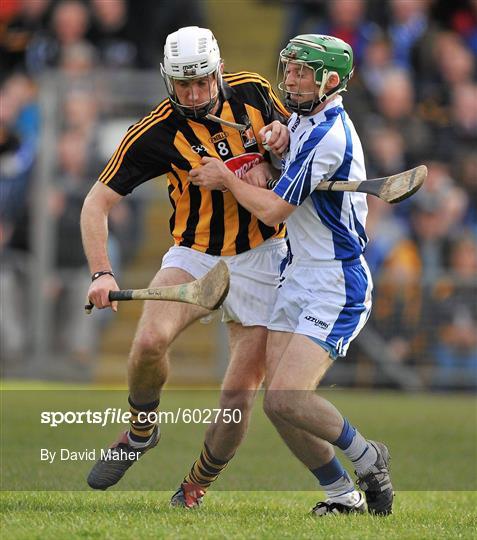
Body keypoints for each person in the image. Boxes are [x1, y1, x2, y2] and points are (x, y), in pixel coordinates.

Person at [81, 26, 290, 504]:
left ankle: (195, 485)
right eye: (182, 85)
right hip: (194, 252)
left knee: (239, 394)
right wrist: (101, 271)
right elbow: (96, 204)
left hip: (265, 255)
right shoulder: (155, 132)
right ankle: (140, 432)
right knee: (149, 341)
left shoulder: (255, 90)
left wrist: (271, 159)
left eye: (202, 82)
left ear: (218, 72)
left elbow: (301, 156)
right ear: (166, 80)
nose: (194, 95)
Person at [190, 34, 394, 516]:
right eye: (290, 69)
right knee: (278, 406)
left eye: (303, 72)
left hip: (335, 282)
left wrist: (227, 178)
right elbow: (285, 163)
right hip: (296, 274)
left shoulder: (330, 135)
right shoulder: (303, 120)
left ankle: (369, 458)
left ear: (330, 80)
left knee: (286, 396)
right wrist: (274, 143)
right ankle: (342, 496)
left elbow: (275, 210)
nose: (291, 79)